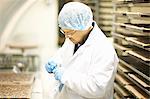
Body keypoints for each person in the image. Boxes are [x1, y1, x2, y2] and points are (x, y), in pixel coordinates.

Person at [45, 2, 119, 99]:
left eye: (70, 32)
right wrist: (55, 61)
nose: (67, 36)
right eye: (64, 32)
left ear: (84, 26)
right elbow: (63, 55)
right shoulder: (73, 38)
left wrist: (65, 76)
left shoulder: (104, 50)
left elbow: (97, 88)